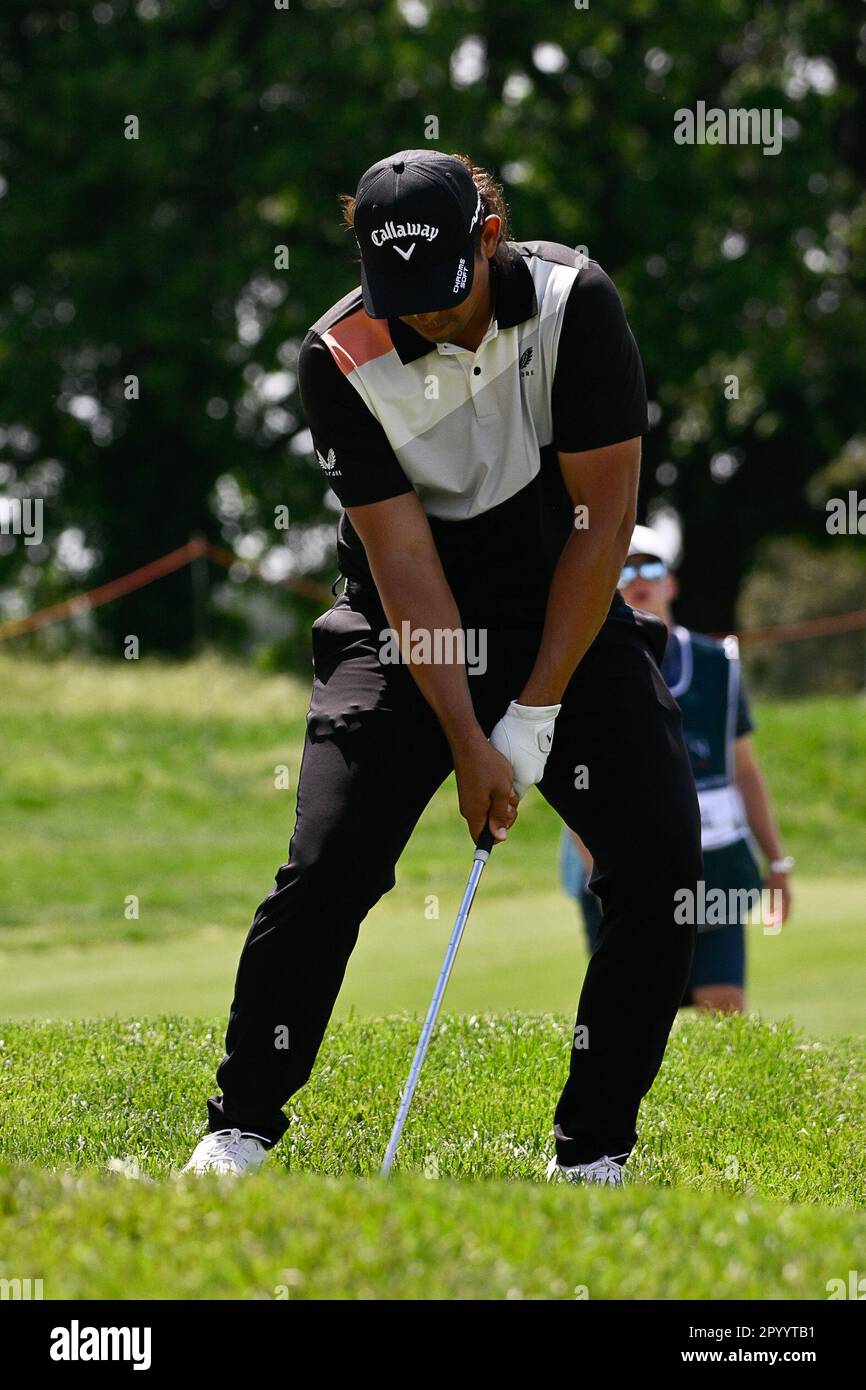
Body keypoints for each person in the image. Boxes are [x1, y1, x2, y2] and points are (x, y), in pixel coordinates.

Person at [183, 150, 701, 1186]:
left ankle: (592, 1149)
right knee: (330, 862)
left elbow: (601, 528)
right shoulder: (337, 351)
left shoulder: (572, 306)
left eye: (441, 290)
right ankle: (238, 1127)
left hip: (565, 601)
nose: (419, 316)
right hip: (398, 623)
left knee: (661, 869)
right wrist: (471, 739)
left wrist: (539, 709)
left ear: (487, 240)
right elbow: (405, 560)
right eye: (397, 297)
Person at [561, 524, 793, 1013]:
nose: (639, 577)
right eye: (624, 568)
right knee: (636, 1008)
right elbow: (575, 782)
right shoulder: (582, 664)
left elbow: (744, 770)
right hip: (618, 863)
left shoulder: (717, 662)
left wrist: (776, 859)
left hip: (718, 864)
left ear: (671, 582)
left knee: (724, 1006)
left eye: (651, 566)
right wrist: (599, 875)